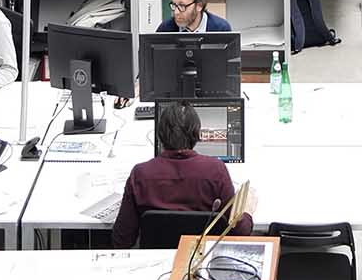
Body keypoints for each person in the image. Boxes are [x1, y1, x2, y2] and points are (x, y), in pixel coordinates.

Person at [109, 102, 254, 248]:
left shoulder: (140, 174)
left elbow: (122, 240)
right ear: (197, 134)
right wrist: (246, 209)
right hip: (199, 258)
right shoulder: (216, 171)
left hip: (156, 260)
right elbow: (240, 232)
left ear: (159, 135)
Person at [155, 0, 234, 34]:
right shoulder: (165, 29)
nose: (176, 12)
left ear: (199, 5)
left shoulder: (221, 29)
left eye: (182, 6)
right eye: (174, 5)